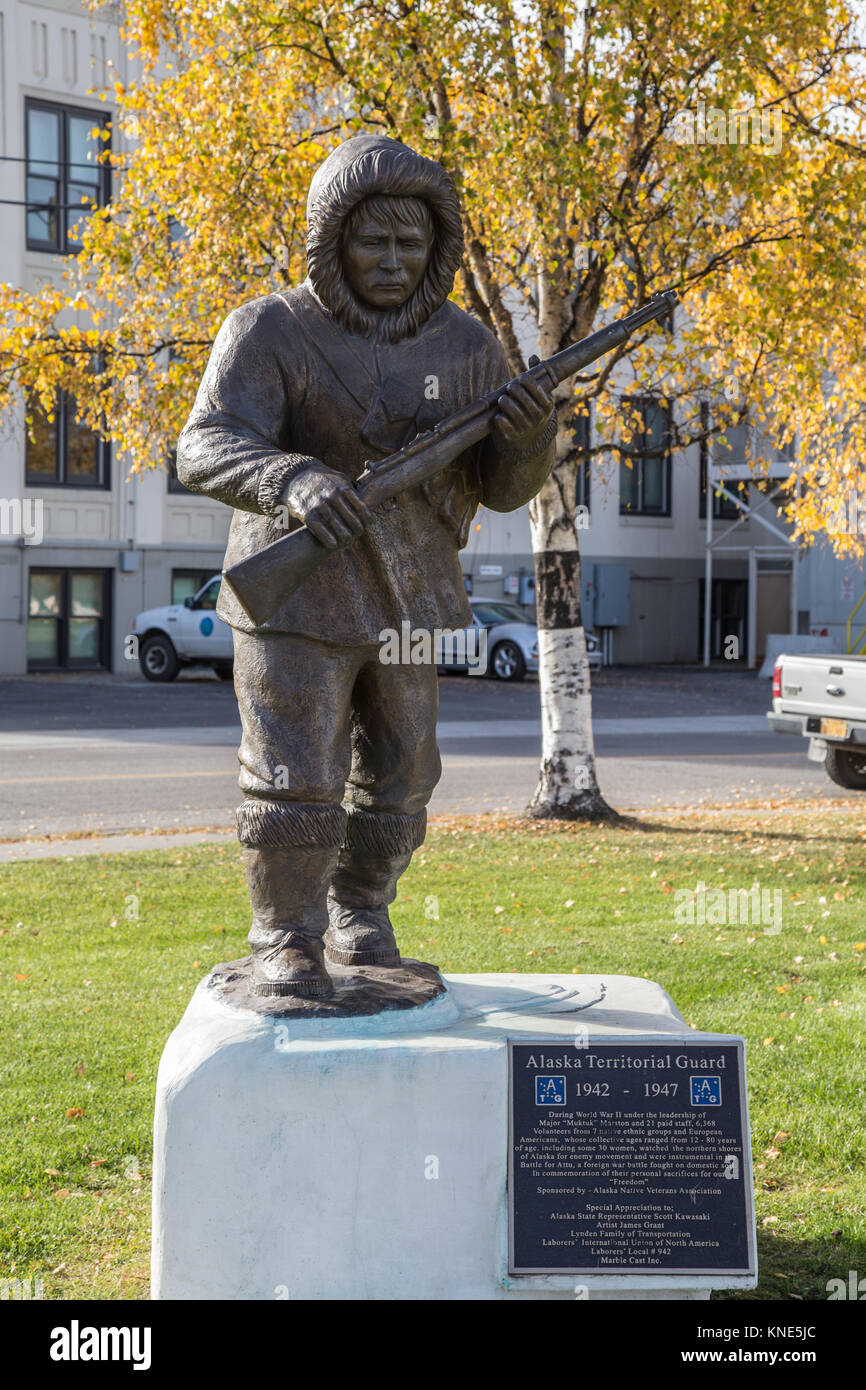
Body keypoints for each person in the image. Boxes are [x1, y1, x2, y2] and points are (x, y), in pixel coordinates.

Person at [177, 133, 556, 998]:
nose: (390, 260)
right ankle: (287, 939)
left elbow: (501, 490)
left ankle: (361, 914)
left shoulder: (466, 346)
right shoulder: (267, 329)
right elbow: (203, 443)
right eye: (370, 240)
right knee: (291, 774)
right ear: (331, 239)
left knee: (403, 773)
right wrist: (292, 476)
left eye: (409, 244)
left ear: (437, 251)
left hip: (410, 598)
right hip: (296, 596)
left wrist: (531, 434)